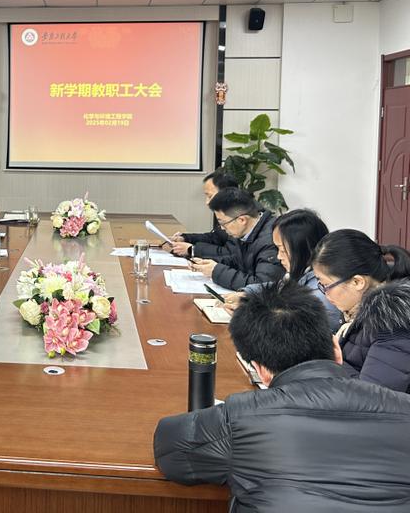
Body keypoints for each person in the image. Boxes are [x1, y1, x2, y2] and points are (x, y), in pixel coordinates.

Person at [154, 282, 410, 513]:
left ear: (260, 370)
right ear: (336, 349)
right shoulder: (403, 408)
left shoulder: (243, 418)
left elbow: (171, 448)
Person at [312, 229, 410, 392]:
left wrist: (328, 357)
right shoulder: (357, 312)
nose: (325, 293)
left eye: (326, 285)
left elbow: (372, 397)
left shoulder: (394, 324)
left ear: (357, 282)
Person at [223, 208, 342, 332]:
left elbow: (295, 334)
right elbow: (278, 287)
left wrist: (247, 317)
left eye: (283, 250)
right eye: (277, 249)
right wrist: (246, 294)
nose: (279, 256)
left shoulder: (321, 293)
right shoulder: (302, 274)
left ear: (303, 249)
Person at [190, 187, 283, 290]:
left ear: (242, 220)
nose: (222, 228)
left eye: (223, 223)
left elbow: (261, 286)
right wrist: (210, 264)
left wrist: (216, 271)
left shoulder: (271, 239)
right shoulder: (247, 231)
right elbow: (239, 262)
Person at [165, 169, 238, 258]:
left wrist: (192, 250)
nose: (207, 202)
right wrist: (185, 238)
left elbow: (231, 253)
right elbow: (215, 238)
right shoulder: (226, 211)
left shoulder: (240, 216)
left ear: (226, 193)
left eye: (210, 196)